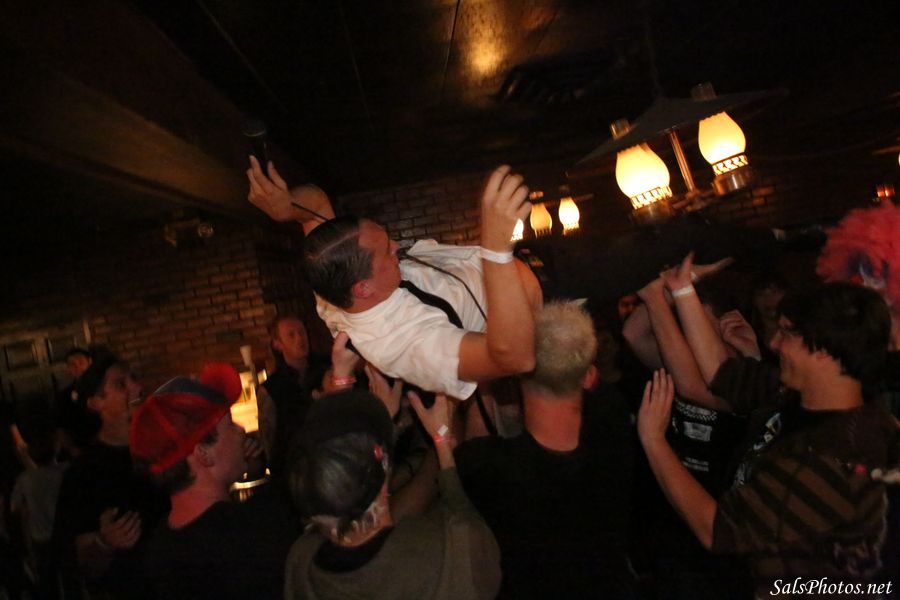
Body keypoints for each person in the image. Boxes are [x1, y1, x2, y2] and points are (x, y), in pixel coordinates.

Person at [638, 253, 899, 595]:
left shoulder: (835, 456)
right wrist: (682, 288)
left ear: (823, 351)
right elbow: (722, 373)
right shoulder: (799, 395)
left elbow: (715, 528)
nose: (774, 343)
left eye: (787, 334)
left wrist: (653, 441)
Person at [247, 158, 540, 399]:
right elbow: (516, 358)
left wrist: (288, 206)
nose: (397, 247)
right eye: (387, 250)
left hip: (511, 271)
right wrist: (495, 252)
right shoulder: (403, 345)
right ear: (363, 288)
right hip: (535, 316)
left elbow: (317, 204)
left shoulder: (332, 278)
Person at [455, 301, 637, 600]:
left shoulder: (493, 466)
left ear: (517, 371)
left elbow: (472, 451)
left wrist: (484, 379)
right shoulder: (615, 430)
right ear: (589, 376)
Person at [284, 388, 501, 600]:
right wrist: (443, 442)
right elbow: (472, 535)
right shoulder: (440, 555)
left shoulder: (301, 562)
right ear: (386, 467)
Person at [132, 362, 298, 600]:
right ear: (204, 454)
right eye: (229, 423)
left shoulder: (158, 549)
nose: (240, 430)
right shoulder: (253, 531)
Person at [51, 354, 169, 600]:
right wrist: (104, 543)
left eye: (134, 379)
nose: (135, 387)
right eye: (120, 384)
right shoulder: (84, 474)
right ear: (96, 403)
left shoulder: (163, 446)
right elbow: (78, 563)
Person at [256, 315, 329, 477]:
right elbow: (269, 440)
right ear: (278, 344)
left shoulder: (326, 369)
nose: (300, 339)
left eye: (302, 332)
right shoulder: (272, 388)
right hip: (296, 470)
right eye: (291, 335)